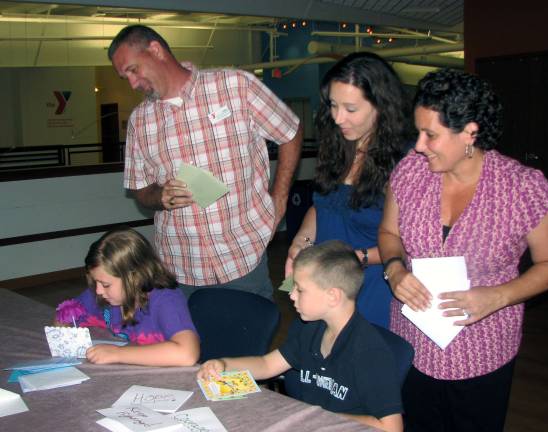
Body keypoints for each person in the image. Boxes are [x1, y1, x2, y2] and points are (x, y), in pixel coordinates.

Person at [378, 68, 548, 431]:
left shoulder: (524, 189)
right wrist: (395, 270)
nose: (419, 145)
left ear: (470, 131)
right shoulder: (409, 172)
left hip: (483, 351)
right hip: (412, 342)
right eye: (418, 132)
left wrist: (497, 297)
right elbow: (389, 233)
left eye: (430, 135)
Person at [108, 25, 302, 300]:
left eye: (133, 70)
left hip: (242, 258)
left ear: (155, 50)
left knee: (246, 341)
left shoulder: (235, 86)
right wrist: (160, 195)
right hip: (179, 269)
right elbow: (140, 190)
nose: (132, 83)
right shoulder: (140, 121)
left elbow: (290, 132)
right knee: (190, 345)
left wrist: (279, 199)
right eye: (124, 76)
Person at [198, 240, 412, 432]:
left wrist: (319, 417)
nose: (291, 295)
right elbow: (266, 364)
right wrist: (224, 365)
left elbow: (391, 427)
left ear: (333, 296)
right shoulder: (311, 330)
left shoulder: (369, 352)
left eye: (300, 290)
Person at [285, 52, 414, 328]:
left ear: (381, 106)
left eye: (351, 109)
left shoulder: (406, 162)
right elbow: (322, 206)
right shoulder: (337, 145)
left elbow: (412, 242)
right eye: (333, 105)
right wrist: (301, 243)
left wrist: (357, 258)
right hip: (327, 282)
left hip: (373, 286)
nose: (338, 117)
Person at [54, 227, 200, 366]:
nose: (98, 291)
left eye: (105, 284)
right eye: (95, 282)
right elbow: (64, 316)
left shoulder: (166, 299)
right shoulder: (103, 294)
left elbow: (187, 354)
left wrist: (117, 354)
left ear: (135, 277)